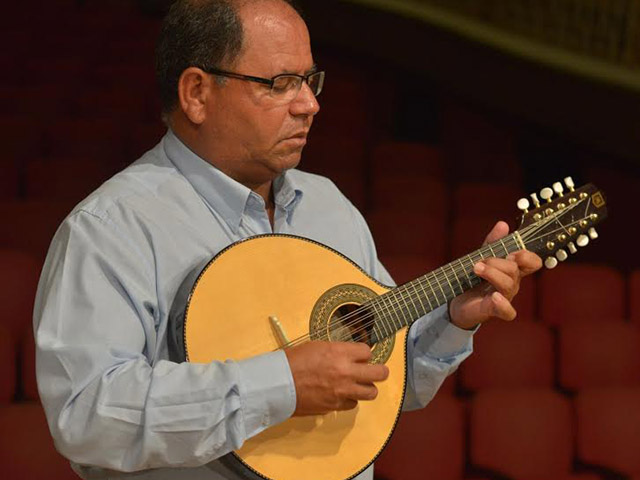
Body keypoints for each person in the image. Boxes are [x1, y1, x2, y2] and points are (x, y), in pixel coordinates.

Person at [33, 1, 542, 479]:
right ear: (197, 94)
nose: (310, 104)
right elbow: (87, 415)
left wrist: (453, 319)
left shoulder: (329, 207)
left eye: (310, 80)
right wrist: (282, 385)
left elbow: (384, 380)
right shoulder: (112, 226)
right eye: (280, 83)